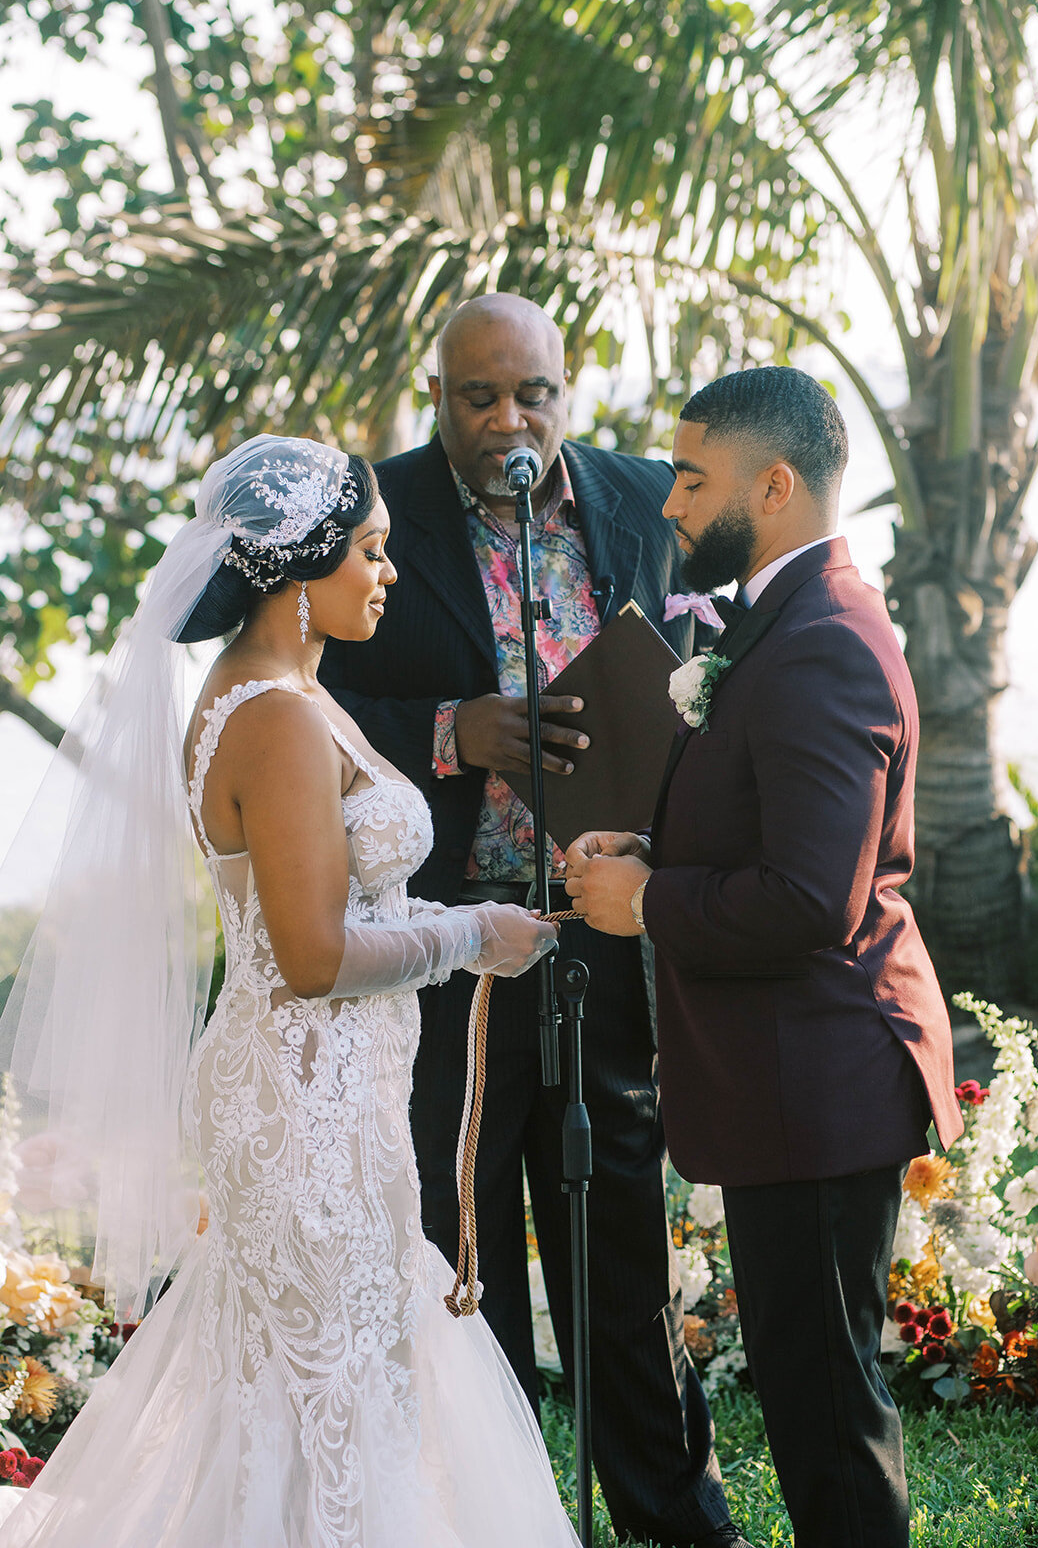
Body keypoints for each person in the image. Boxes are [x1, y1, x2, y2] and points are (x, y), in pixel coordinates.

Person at [0, 435, 582, 1547]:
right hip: (300, 1103)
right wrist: (471, 934)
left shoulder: (296, 694)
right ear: (297, 566)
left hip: (334, 1090)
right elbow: (311, 956)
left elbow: (344, 907)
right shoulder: (271, 715)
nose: (389, 572)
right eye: (370, 549)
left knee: (321, 1371)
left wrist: (490, 928)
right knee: (328, 1376)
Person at [318, 294, 751, 1548]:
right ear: (437, 397)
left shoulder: (641, 500)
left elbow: (715, 665)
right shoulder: (374, 512)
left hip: (600, 924)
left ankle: (672, 1514)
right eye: (478, 397)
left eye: (533, 394)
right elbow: (299, 699)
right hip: (445, 940)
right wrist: (454, 732)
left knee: (618, 1229)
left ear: (567, 389)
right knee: (461, 1238)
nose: (509, 419)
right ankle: (488, 1516)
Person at [565, 366, 964, 1548]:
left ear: (773, 486)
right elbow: (778, 830)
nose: (669, 504)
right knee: (808, 1391)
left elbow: (809, 898)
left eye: (693, 480)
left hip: (818, 1077)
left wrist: (647, 900)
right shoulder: (781, 621)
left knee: (824, 1409)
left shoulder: (822, 640)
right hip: (789, 1077)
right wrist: (658, 850)